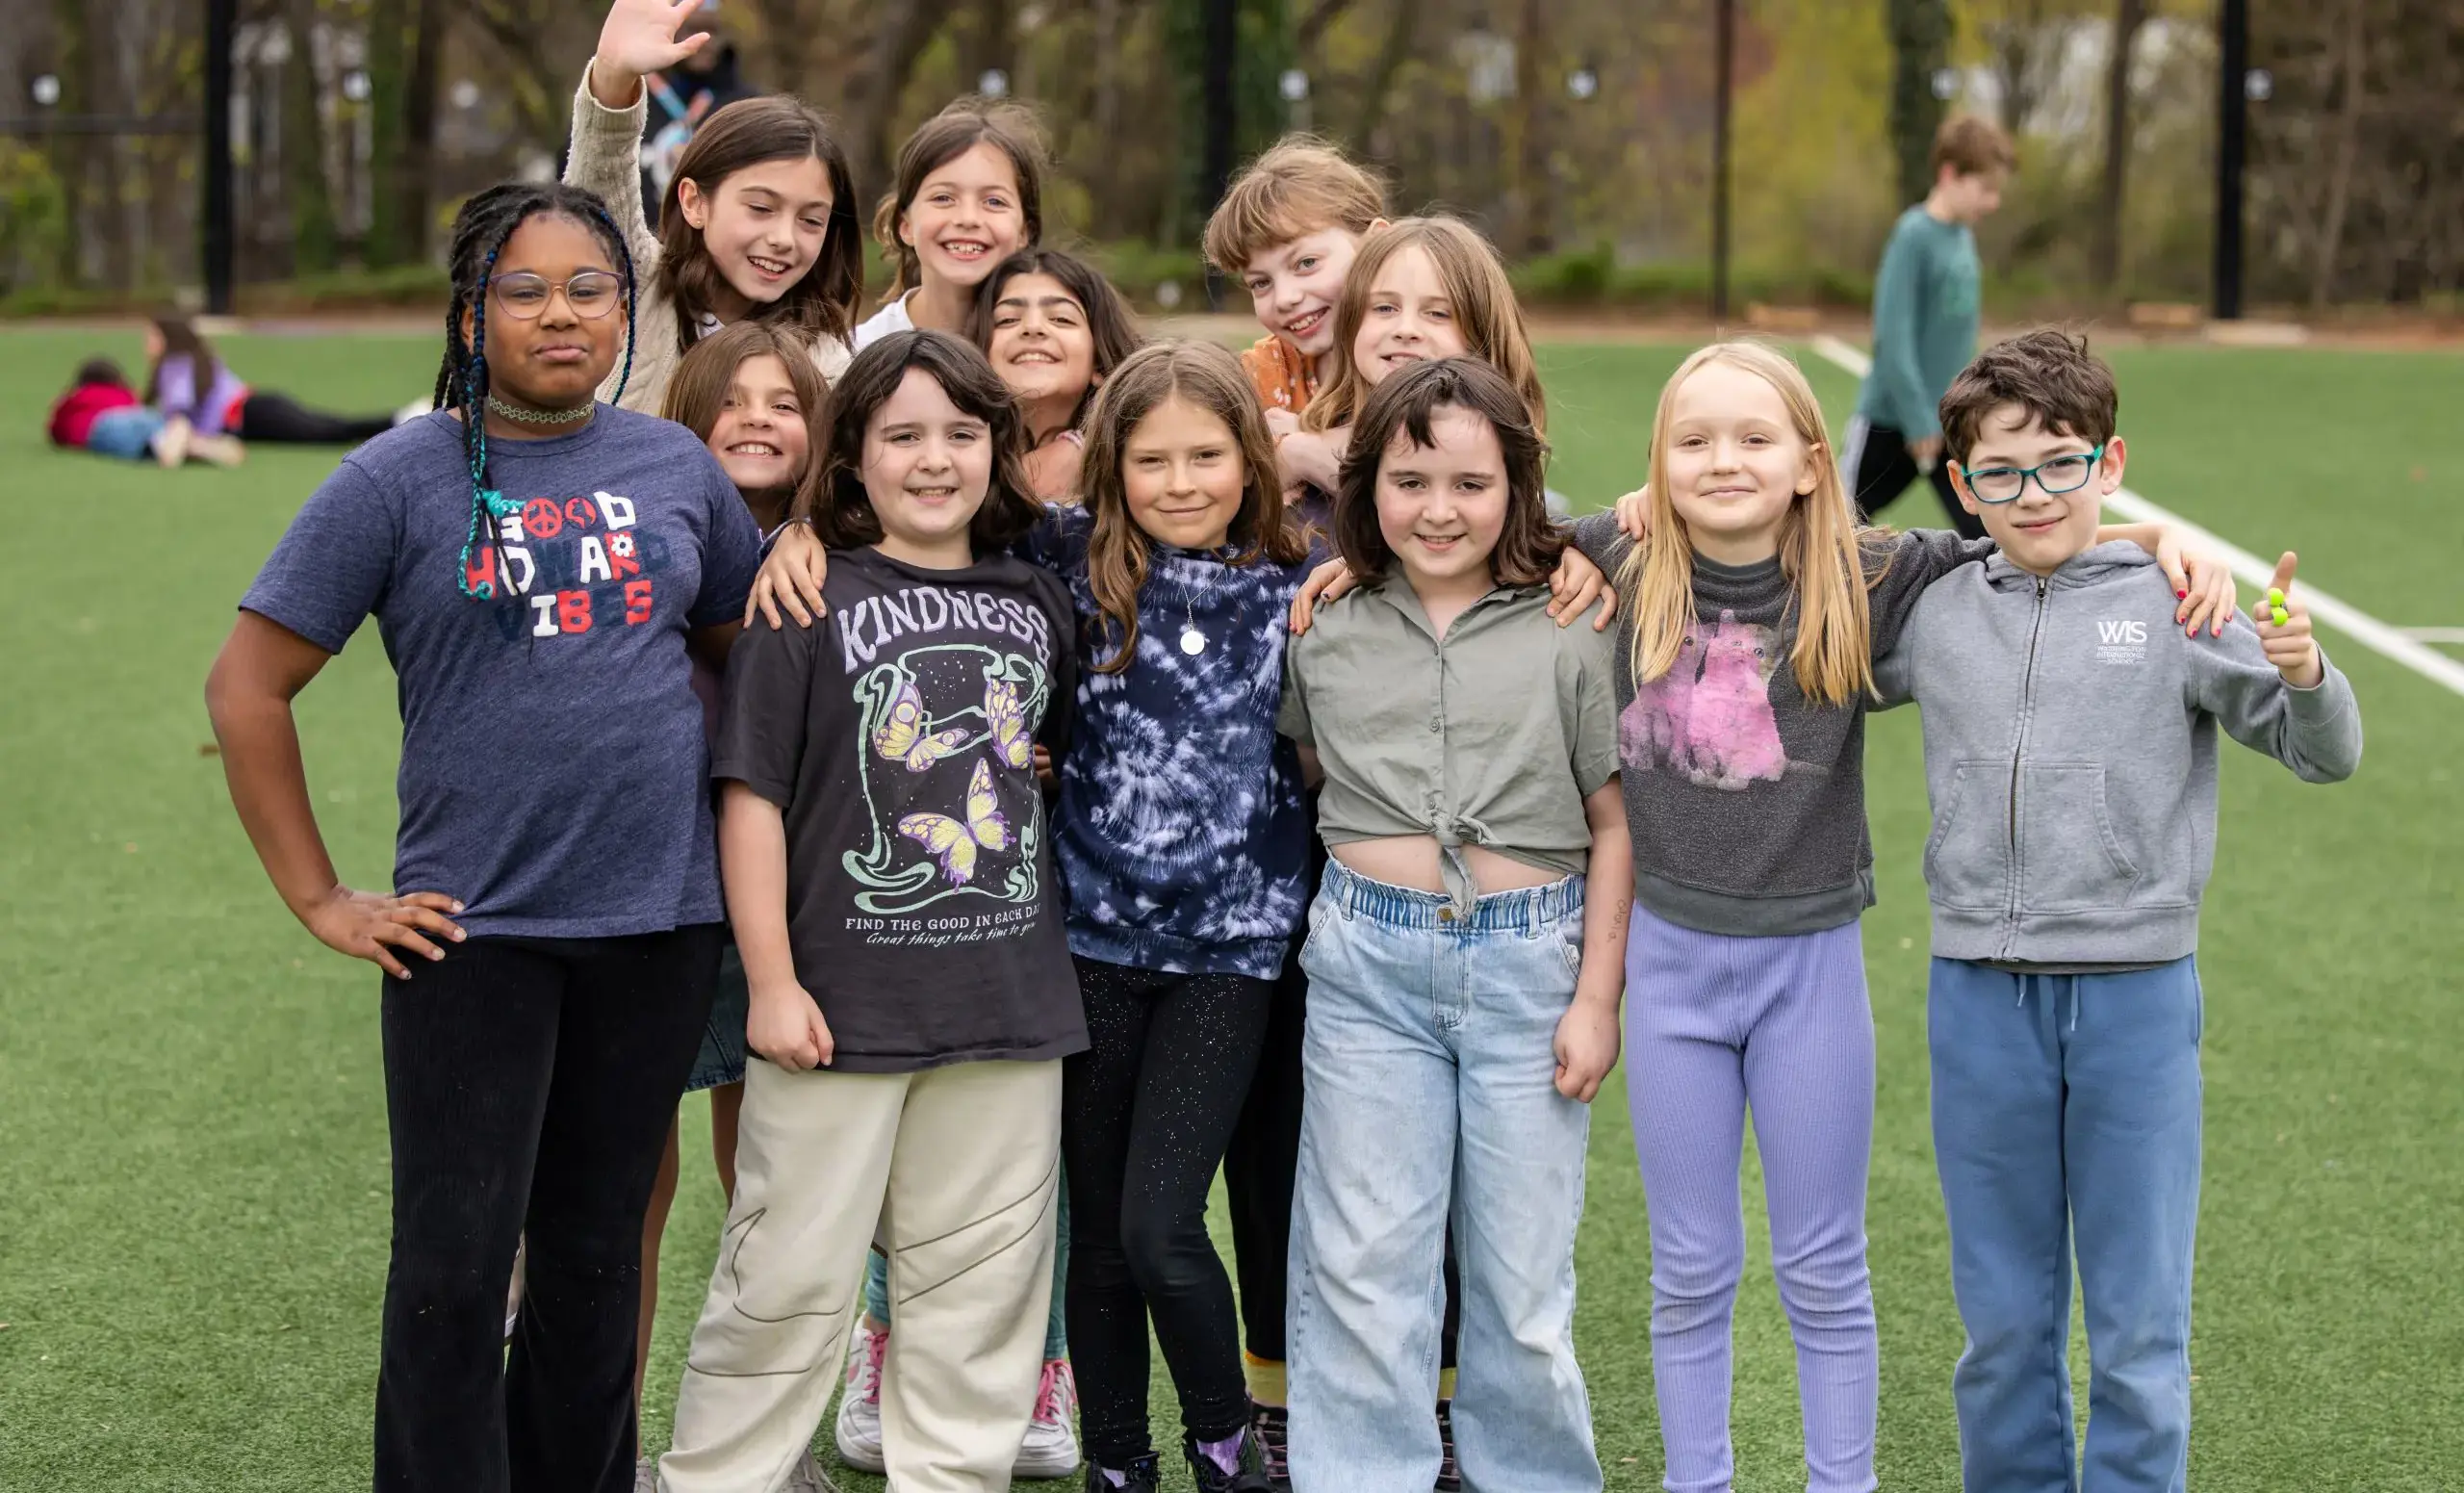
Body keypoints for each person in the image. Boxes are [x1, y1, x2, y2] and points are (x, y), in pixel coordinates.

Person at [1576, 341, 2236, 1493]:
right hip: (1670, 967)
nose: (1722, 460)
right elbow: (1462, 524)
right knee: (1688, 1268)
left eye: (1752, 438)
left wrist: (2160, 541)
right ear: (1656, 464)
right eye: (1693, 441)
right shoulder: (1614, 562)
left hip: (1813, 966)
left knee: (1825, 1267)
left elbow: (2035, 539)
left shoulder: (1870, 573)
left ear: (1810, 464)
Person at [203, 180, 762, 1493]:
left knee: (592, 1255)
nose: (562, 313)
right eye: (526, 289)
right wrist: (322, 896)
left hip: (659, 922)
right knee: (456, 1271)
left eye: (590, 289)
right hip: (473, 935)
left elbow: (747, 653)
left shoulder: (674, 466)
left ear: (627, 311)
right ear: (470, 312)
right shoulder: (397, 475)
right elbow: (246, 685)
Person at [1872, 330, 2360, 1493]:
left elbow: (2323, 754)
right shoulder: (1937, 611)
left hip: (2137, 1001)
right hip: (1976, 997)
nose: (2031, 494)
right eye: (1999, 472)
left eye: (2059, 463)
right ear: (1960, 483)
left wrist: (2302, 671)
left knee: (2139, 1333)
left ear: (2109, 460)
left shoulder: (2179, 605)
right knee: (2000, 1328)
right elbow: (1810, 606)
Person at [660, 330, 1085, 1493]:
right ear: (850, 459)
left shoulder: (1041, 600)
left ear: (1001, 454)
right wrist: (771, 983)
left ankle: (951, 1474)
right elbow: (750, 800)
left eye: (961, 434)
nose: (933, 460)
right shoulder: (801, 600)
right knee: (784, 1272)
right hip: (834, 1008)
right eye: (901, 435)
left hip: (1005, 1006)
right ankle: (721, 1476)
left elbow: (1044, 767)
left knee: (978, 1282)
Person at [1277, 358, 1629, 1493]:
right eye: (1410, 479)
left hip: (1532, 963)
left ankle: (1530, 1473)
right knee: (1364, 1262)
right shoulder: (1326, 624)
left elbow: (1610, 823)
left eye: (1471, 484)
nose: (1439, 510)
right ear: (1365, 485)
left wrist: (1594, 999)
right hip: (1368, 965)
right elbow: (1312, 764)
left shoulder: (1571, 628)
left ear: (1517, 488)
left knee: (1519, 1280)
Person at [625, 322, 829, 1493]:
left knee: (772, 1188)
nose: (756, 417)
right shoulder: (648, 535)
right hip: (650, 899)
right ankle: (608, 1439)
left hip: (785, 916)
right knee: (624, 1198)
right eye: (728, 400)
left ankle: (760, 1448)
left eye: (783, 401)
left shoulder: (840, 550)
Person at [568, 0, 866, 414]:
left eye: (811, 220)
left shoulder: (830, 364)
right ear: (694, 202)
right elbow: (599, 191)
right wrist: (614, 79)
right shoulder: (641, 286)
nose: (783, 239)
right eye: (761, 208)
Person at [1844, 115, 2015, 540]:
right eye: (1985, 189)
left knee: (1989, 531)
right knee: (1838, 528)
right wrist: (1919, 420)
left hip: (1952, 419)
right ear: (1949, 174)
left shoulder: (1962, 236)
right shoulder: (1913, 236)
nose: (1993, 203)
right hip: (1895, 420)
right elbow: (1893, 337)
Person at [1202, 136, 1389, 421]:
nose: (1286, 298)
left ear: (1376, 245)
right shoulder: (1257, 381)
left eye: (1306, 263)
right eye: (1261, 283)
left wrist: (1318, 448)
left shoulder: (1424, 351)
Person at [856, 100, 1049, 348]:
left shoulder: (1040, 354)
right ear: (905, 225)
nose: (968, 219)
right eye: (943, 198)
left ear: (1024, 231)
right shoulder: (855, 356)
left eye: (994, 201)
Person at [143, 316, 398, 447]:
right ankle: (395, 422)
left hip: (253, 412)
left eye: (152, 336)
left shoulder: (176, 364)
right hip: (256, 411)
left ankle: (396, 421)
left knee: (327, 431)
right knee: (327, 427)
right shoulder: (186, 362)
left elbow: (178, 419)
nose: (147, 343)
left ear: (169, 337)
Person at [636, 1, 760, 222]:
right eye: (694, 29)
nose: (706, 41)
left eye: (713, 30)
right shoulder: (630, 98)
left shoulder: (747, 106)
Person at [47, 356, 243, 467]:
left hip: (101, 429)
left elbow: (55, 429)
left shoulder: (76, 398)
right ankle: (191, 442)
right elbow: (137, 408)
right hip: (137, 418)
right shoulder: (123, 393)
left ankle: (177, 441)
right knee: (156, 432)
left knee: (139, 445)